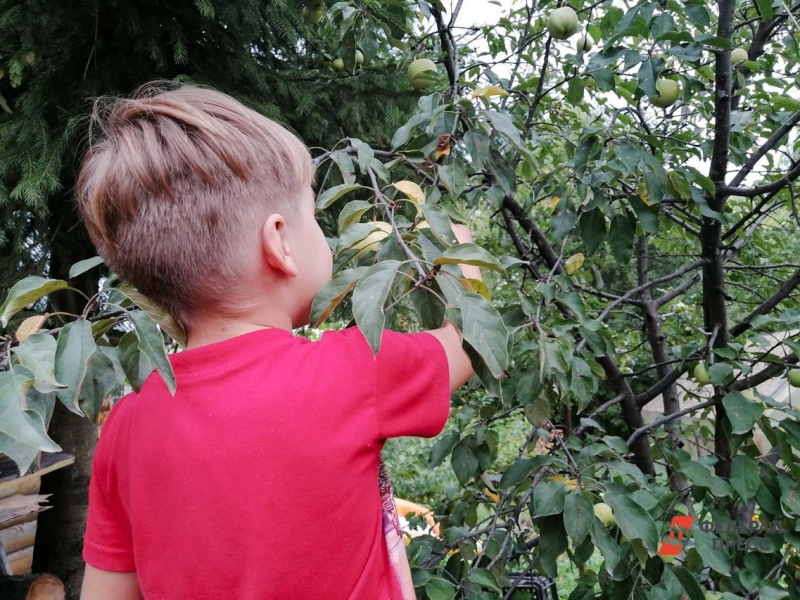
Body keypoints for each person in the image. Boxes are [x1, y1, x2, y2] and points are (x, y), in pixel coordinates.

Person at [76, 84, 479, 600]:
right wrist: (458, 251)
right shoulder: (352, 371)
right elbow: (469, 344)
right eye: (314, 216)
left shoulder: (126, 429)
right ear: (279, 243)